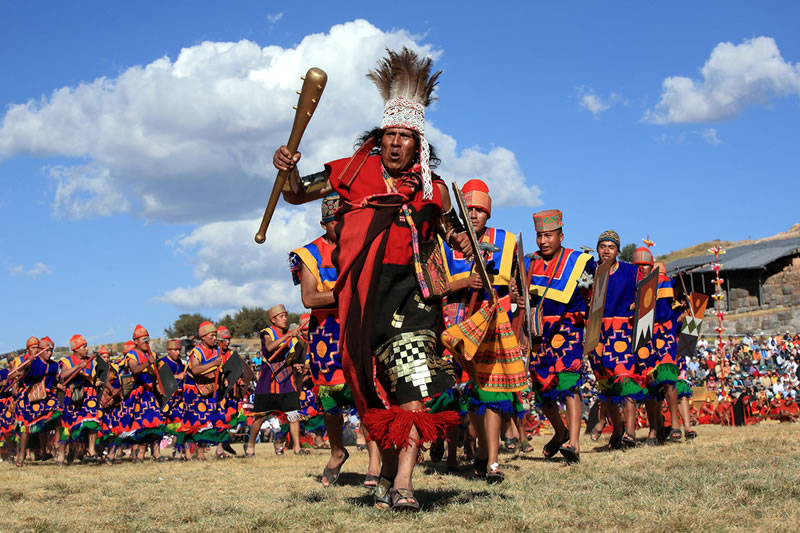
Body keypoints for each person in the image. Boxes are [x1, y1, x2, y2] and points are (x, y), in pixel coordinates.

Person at [273, 48, 468, 510]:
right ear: (378, 137)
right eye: (389, 135)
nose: (396, 143)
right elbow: (298, 194)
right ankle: (380, 472)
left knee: (415, 385)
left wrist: (464, 245)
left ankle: (404, 482)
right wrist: (288, 166)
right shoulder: (351, 172)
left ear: (418, 143)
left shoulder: (432, 190)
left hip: (413, 297)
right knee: (372, 388)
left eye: (405, 136)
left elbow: (456, 233)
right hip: (362, 300)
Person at [289, 193, 381, 487]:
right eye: (334, 222)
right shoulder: (308, 254)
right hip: (325, 334)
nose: (340, 227)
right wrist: (349, 293)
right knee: (330, 397)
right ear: (323, 223)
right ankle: (337, 450)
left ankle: (375, 459)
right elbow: (309, 297)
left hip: (359, 326)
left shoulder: (362, 246)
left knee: (367, 391)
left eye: (345, 220)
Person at [440, 179, 526, 480]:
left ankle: (491, 461)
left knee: (491, 393)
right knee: (459, 393)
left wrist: (515, 298)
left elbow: (512, 286)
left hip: (491, 329)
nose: (475, 214)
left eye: (480, 210)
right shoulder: (445, 241)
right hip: (456, 329)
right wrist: (465, 282)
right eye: (470, 209)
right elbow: (434, 287)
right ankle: (464, 449)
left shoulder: (505, 242)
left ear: (488, 213)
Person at [521, 209, 594, 463]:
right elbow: (524, 298)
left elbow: (593, 296)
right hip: (539, 333)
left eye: (548, 235)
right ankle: (560, 431)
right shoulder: (529, 263)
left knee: (569, 383)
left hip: (569, 331)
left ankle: (574, 443)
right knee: (543, 390)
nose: (543, 241)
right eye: (539, 235)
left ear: (561, 236)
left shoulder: (581, 262)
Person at [588, 230, 643, 449]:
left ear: (618, 251)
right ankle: (618, 429)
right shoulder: (590, 270)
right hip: (597, 332)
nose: (606, 251)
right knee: (607, 385)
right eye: (603, 247)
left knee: (626, 378)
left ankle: (630, 432)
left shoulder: (631, 271)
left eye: (611, 247)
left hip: (622, 330)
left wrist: (636, 303)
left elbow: (648, 293)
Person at [246, 305, 306, 457]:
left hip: (287, 380)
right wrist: (288, 336)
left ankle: (297, 448)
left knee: (294, 414)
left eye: (286, 315)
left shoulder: (292, 336)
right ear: (273, 319)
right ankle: (251, 445)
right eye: (281, 316)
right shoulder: (268, 332)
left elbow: (289, 358)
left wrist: (295, 365)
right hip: (268, 381)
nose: (285, 319)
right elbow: (270, 346)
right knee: (260, 417)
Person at [183, 321, 231, 459]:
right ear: (203, 337)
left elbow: (218, 369)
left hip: (211, 391)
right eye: (212, 335)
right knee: (196, 422)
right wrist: (213, 364)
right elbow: (195, 369)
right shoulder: (197, 351)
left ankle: (204, 452)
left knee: (208, 422)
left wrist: (223, 378)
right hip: (195, 391)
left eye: (216, 336)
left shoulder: (217, 350)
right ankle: (193, 453)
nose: (215, 338)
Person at [14, 336, 62, 467]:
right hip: (30, 397)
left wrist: (59, 386)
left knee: (58, 413)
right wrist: (26, 364)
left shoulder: (54, 365)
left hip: (47, 397)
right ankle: (22, 456)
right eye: (46, 350)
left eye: (51, 351)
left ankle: (57, 446)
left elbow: (54, 381)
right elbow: (14, 374)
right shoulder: (31, 362)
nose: (49, 353)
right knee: (27, 427)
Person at [57, 334, 102, 464]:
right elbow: (63, 375)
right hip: (73, 395)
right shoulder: (67, 361)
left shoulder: (92, 361)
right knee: (67, 425)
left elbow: (94, 376)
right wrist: (77, 367)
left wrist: (96, 381)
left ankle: (92, 451)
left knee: (92, 420)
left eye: (86, 346)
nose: (86, 349)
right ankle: (61, 453)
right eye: (84, 347)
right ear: (76, 349)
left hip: (89, 394)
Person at [124, 325, 166, 462]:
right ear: (136, 341)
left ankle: (157, 453)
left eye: (148, 340)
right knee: (142, 424)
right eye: (144, 340)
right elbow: (135, 370)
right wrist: (147, 363)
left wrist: (160, 387)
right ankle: (140, 454)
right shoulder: (131, 355)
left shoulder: (152, 355)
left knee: (156, 422)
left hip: (150, 394)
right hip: (138, 394)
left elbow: (157, 375)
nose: (147, 343)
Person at [159, 338, 188, 460]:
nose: (177, 352)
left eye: (179, 350)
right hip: (165, 400)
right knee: (158, 425)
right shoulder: (162, 363)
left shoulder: (180, 364)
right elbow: (160, 379)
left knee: (180, 424)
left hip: (178, 399)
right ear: (168, 350)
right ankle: (154, 452)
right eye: (175, 350)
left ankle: (178, 450)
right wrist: (177, 376)